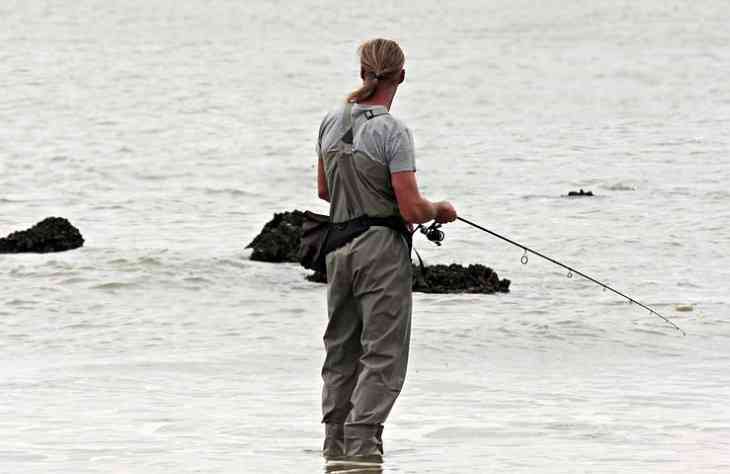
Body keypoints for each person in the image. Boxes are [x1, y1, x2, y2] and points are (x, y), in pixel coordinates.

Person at [315, 38, 457, 464]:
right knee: (383, 353)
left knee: (341, 350)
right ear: (401, 76)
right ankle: (361, 445)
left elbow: (324, 191)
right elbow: (412, 207)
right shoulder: (392, 131)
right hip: (380, 250)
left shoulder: (329, 120)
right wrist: (441, 211)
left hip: (337, 249)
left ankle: (334, 446)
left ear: (363, 72)